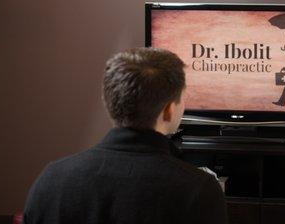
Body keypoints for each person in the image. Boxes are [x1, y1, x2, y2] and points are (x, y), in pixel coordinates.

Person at [23, 47, 228, 224]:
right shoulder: (198, 190)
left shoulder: (51, 179)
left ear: (109, 101)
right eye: (183, 98)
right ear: (168, 110)